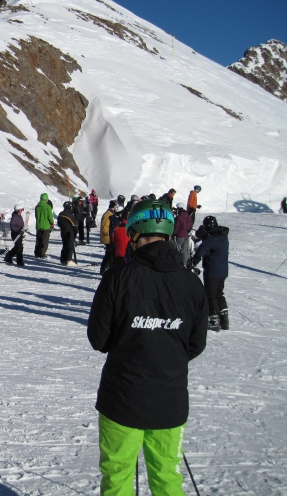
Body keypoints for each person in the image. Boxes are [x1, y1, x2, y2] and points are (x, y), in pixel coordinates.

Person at [88, 198, 207, 496]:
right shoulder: (192, 284)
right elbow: (195, 343)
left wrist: (132, 340)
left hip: (122, 398)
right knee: (167, 478)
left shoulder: (117, 278)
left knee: (117, 479)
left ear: (134, 232)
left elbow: (98, 338)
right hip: (169, 399)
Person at [192, 215, 230, 331]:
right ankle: (224, 320)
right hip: (223, 270)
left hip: (213, 270)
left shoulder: (212, 237)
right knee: (219, 293)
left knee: (210, 294)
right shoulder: (222, 235)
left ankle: (213, 319)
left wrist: (193, 262)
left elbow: (202, 250)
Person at [172, 202, 193, 267]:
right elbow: (190, 225)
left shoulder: (179, 217)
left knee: (177, 249)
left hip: (180, 235)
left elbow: (177, 226)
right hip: (186, 234)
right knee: (185, 249)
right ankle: (185, 263)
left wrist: (174, 233)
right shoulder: (188, 216)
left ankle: (176, 262)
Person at [57, 201, 77, 266]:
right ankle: (68, 260)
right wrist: (75, 233)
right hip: (69, 231)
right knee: (70, 245)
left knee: (65, 245)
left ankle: (63, 259)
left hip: (63, 231)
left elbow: (58, 223)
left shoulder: (61, 213)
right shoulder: (69, 215)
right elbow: (74, 225)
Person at [34, 193, 54, 258]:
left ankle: (37, 253)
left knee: (38, 240)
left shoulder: (37, 207)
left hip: (39, 225)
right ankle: (42, 253)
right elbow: (50, 217)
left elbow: (36, 216)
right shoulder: (48, 207)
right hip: (46, 226)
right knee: (44, 240)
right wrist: (52, 223)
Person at [99, 200, 116, 274]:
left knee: (110, 254)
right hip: (108, 238)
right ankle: (104, 269)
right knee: (109, 254)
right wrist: (111, 234)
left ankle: (105, 268)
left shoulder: (111, 214)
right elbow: (104, 228)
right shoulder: (108, 215)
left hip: (110, 237)